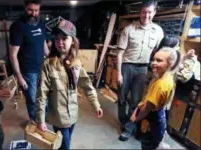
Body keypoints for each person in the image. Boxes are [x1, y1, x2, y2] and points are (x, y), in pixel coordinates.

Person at [35, 19, 104, 150]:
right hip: (58, 117)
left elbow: (87, 86)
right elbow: (41, 94)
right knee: (64, 146)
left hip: (72, 115)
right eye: (57, 39)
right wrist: (40, 119)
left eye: (64, 38)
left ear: (72, 40)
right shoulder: (48, 65)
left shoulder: (76, 63)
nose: (60, 43)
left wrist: (96, 104)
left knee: (67, 141)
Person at [116, 0, 164, 141]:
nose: (146, 15)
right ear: (140, 12)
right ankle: (123, 121)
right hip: (126, 66)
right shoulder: (129, 29)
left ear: (154, 13)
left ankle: (130, 127)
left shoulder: (158, 31)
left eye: (149, 12)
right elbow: (119, 53)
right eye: (144, 12)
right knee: (122, 98)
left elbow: (160, 52)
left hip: (143, 69)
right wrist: (118, 73)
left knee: (136, 101)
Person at [130, 47, 181, 149]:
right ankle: (159, 144)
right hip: (159, 116)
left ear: (170, 64)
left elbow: (147, 108)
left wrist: (136, 119)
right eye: (153, 59)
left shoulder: (160, 85)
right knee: (154, 142)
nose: (153, 63)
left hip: (152, 119)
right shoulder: (168, 77)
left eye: (159, 60)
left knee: (147, 145)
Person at [9, 0, 49, 123]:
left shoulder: (41, 24)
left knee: (44, 96)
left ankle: (43, 118)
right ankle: (34, 120)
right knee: (32, 98)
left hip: (42, 68)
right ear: (25, 8)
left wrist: (52, 60)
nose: (33, 13)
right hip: (28, 71)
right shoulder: (17, 26)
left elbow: (44, 45)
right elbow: (12, 55)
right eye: (30, 10)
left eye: (36, 10)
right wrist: (19, 76)